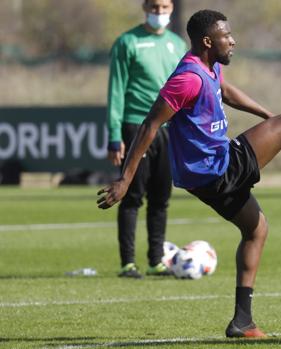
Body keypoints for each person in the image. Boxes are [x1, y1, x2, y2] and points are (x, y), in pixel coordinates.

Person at [97, 9, 281, 338]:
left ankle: (242, 321)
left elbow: (226, 92)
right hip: (217, 167)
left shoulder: (209, 67)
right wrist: (126, 179)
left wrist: (266, 116)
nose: (233, 41)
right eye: (226, 36)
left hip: (206, 176)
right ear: (207, 41)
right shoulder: (187, 78)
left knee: (256, 229)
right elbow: (150, 124)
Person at [106, 0, 186, 278]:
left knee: (161, 198)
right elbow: (116, 90)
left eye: (164, 7)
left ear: (172, 8)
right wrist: (115, 135)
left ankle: (156, 260)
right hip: (136, 125)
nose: (159, 13)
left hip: (168, 128)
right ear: (145, 7)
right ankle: (128, 262)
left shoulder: (177, 44)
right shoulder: (127, 42)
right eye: (154, 7)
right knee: (131, 195)